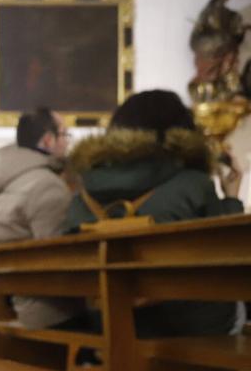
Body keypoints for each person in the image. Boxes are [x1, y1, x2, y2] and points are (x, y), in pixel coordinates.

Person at [65, 89, 245, 338]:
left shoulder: (81, 195)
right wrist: (232, 199)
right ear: (182, 131)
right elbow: (231, 256)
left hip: (107, 327)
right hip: (184, 329)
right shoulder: (194, 184)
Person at [0, 107, 80, 329]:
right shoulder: (47, 185)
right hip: (53, 315)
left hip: (8, 310)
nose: (68, 143)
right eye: (64, 135)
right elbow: (60, 260)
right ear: (48, 141)